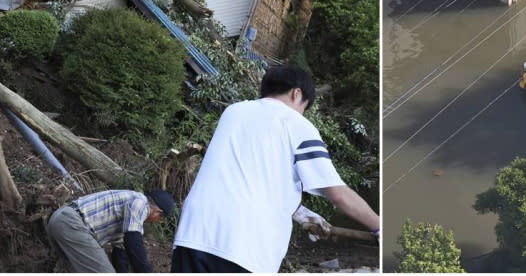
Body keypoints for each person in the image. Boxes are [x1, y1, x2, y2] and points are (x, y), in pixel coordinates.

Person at [172, 65, 380, 273]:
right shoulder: (298, 125)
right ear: (296, 93)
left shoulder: (234, 112)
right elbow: (338, 194)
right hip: (244, 247)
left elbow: (251, 175)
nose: (302, 114)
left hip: (194, 235)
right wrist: (380, 226)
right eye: (304, 107)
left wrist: (299, 212)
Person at [46, 189, 175, 273]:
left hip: (63, 223)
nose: (155, 222)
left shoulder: (128, 221)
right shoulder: (140, 202)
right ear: (158, 212)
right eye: (159, 219)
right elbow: (133, 242)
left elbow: (121, 256)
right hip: (71, 224)